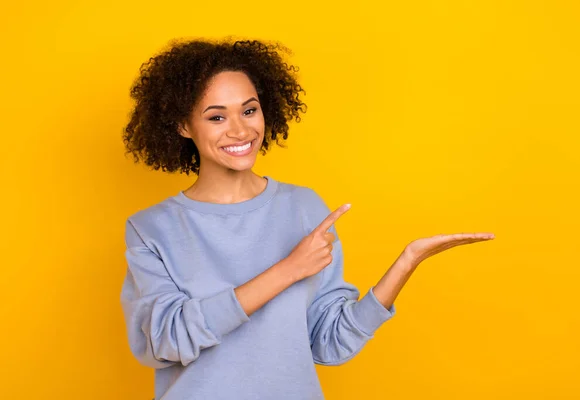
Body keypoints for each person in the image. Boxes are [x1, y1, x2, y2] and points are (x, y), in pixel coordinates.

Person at [120, 38, 495, 400]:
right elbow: (164, 342)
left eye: (249, 110)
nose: (240, 130)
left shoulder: (304, 207)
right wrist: (288, 270)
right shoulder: (152, 229)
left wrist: (406, 262)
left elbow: (330, 343)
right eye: (216, 116)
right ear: (183, 126)